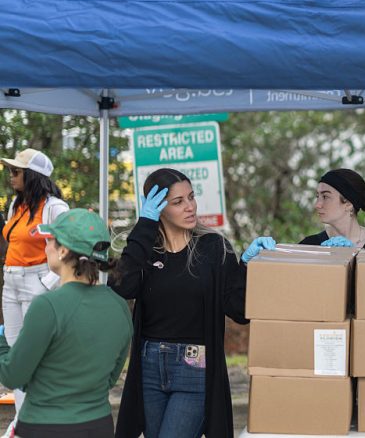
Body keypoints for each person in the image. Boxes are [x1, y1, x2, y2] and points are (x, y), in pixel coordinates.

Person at [112, 168, 248, 438]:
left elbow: (239, 310)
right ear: (159, 209)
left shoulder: (214, 247)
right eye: (178, 202)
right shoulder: (145, 249)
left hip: (194, 368)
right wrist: (145, 225)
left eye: (191, 197)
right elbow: (122, 286)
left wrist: (246, 267)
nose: (190, 207)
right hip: (149, 365)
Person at [0, 208, 132, 438]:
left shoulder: (48, 306)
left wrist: (1, 341)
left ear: (63, 250)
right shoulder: (119, 307)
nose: (46, 246)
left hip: (47, 426)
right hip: (98, 425)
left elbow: (13, 375)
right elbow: (110, 378)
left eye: (50, 240)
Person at [0, 148, 68, 436]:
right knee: (17, 358)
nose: (11, 176)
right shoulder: (17, 205)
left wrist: (48, 284)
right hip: (11, 282)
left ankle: (33, 422)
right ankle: (22, 421)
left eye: (17, 171)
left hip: (36, 282)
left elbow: (69, 248)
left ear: (33, 176)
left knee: (34, 356)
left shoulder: (54, 207)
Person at [300, 169, 365, 249]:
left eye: (325, 197)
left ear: (349, 204)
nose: (317, 205)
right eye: (317, 196)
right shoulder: (308, 247)